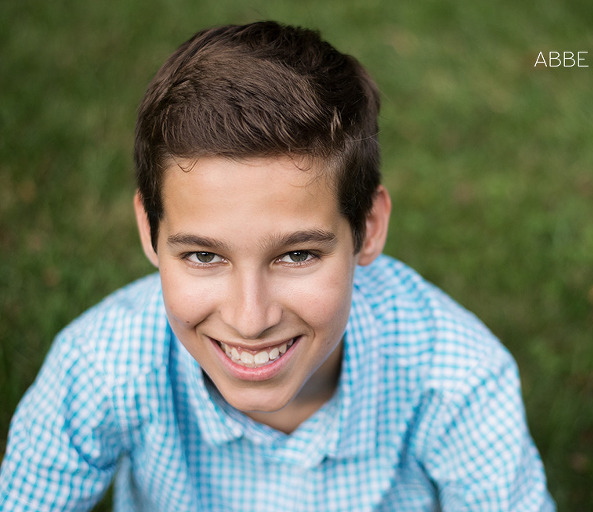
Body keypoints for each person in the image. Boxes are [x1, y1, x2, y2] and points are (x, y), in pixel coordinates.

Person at [0, 21, 554, 511]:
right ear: (149, 231)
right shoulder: (101, 366)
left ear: (368, 228)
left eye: (297, 255)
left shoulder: (456, 381)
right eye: (204, 255)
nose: (250, 317)